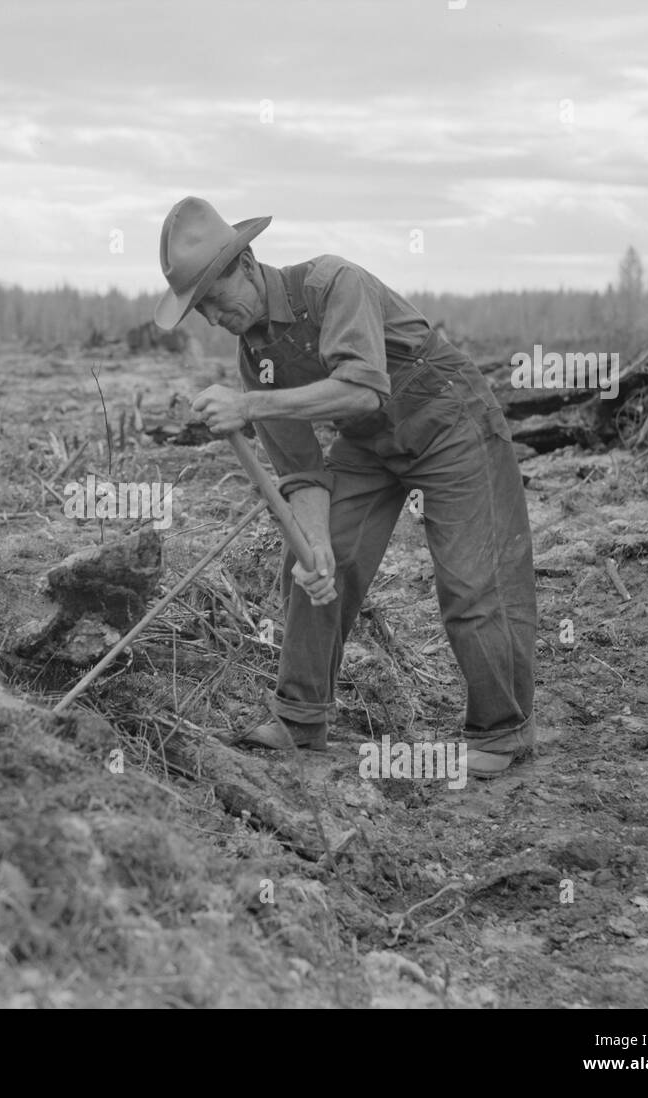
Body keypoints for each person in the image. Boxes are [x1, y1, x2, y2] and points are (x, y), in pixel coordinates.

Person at [153, 196, 537, 777]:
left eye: (212, 296)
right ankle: (300, 717)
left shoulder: (335, 283)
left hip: (451, 422)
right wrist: (318, 542)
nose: (210, 315)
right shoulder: (255, 357)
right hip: (370, 444)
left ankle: (503, 731)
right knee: (310, 564)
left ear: (249, 263)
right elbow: (303, 470)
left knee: (469, 580)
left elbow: (363, 387)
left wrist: (250, 405)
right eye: (198, 307)